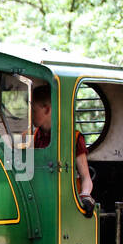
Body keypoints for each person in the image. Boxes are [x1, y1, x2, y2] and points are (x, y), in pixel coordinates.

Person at [32, 84, 94, 213]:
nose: (30, 115)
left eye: (33, 111)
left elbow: (85, 177)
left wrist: (85, 196)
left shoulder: (73, 138)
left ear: (47, 110)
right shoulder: (31, 136)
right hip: (40, 201)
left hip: (67, 203)